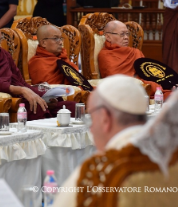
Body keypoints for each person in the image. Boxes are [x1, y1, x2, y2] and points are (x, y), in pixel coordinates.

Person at [53, 75, 148, 207]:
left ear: (104, 119)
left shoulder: (94, 174)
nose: (91, 128)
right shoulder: (174, 155)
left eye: (91, 118)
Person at [0, 20, 76, 120]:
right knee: (36, 108)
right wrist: (20, 90)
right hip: (10, 102)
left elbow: (20, 81)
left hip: (18, 97)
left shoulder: (3, 54)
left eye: (0, 40)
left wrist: (44, 96)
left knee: (72, 107)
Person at [98, 20, 171, 99]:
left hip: (142, 87)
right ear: (108, 37)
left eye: (127, 34)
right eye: (122, 34)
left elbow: (147, 74)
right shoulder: (105, 55)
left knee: (173, 94)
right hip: (125, 92)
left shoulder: (135, 52)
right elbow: (116, 81)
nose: (126, 37)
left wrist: (167, 83)